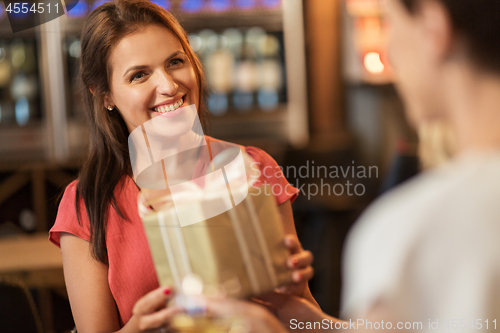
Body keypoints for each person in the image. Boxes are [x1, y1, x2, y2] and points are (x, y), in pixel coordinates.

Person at [202, 0, 500, 331]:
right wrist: (311, 323)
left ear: (434, 28)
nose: (390, 50)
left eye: (391, 24)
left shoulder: (405, 232)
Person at [48, 0, 316, 331]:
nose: (169, 85)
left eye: (175, 61)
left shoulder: (254, 167)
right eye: (139, 75)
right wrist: (137, 328)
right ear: (105, 95)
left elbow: (304, 319)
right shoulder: (86, 204)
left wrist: (296, 293)